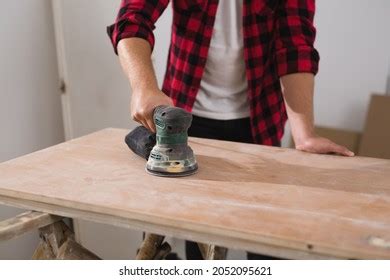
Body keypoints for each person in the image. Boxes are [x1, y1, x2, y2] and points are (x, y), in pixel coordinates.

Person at [107, 0, 354, 259]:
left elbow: (295, 45)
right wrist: (143, 87)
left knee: (269, 240)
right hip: (188, 119)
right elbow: (133, 18)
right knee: (201, 245)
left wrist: (304, 134)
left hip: (259, 122)